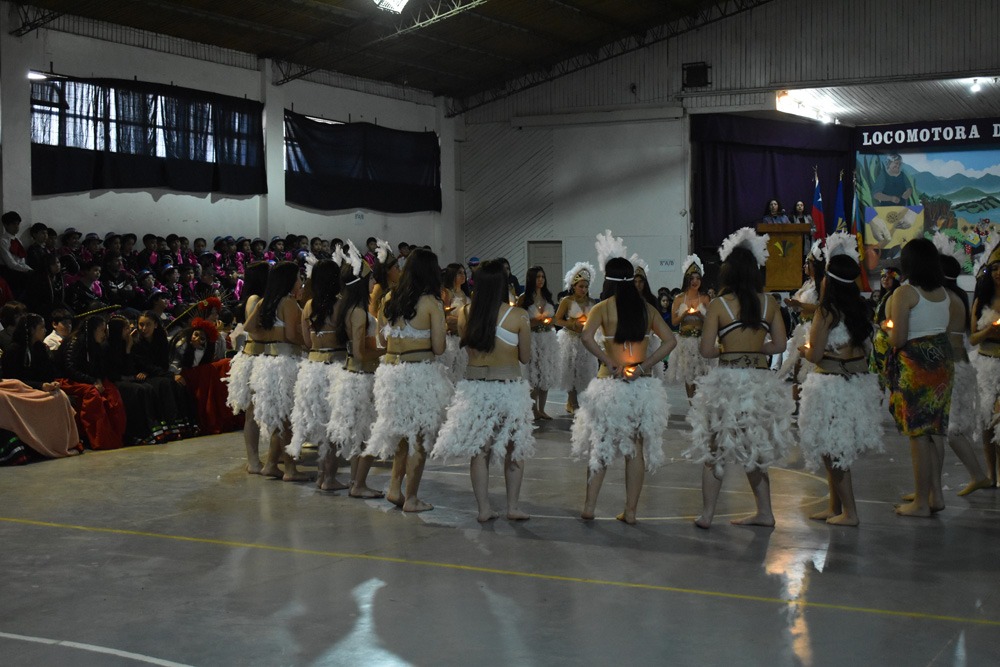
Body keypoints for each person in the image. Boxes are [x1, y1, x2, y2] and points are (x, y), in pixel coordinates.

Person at [685, 227, 792, 528]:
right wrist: (756, 349)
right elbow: (781, 345)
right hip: (759, 382)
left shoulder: (719, 305)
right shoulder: (769, 302)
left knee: (715, 447)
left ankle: (707, 515)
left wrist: (728, 348)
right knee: (754, 447)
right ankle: (765, 512)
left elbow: (706, 350)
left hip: (728, 381)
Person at [572, 248, 676, 524]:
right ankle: (630, 511)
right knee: (635, 448)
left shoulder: (602, 308)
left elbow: (586, 338)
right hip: (641, 385)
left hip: (610, 383)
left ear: (608, 280)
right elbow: (670, 341)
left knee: (601, 443)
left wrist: (608, 360)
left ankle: (589, 506)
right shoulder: (646, 309)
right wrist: (643, 366)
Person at [434, 260, 534, 521]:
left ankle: (483, 509)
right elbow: (525, 357)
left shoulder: (466, 312)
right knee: (514, 448)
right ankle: (512, 507)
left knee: (480, 450)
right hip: (508, 387)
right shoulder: (518, 316)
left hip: (476, 387)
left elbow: (468, 346)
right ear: (503, 284)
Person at [797, 236, 884, 526]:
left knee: (834, 449)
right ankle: (834, 507)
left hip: (832, 385)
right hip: (857, 383)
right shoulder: (860, 310)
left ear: (829, 282)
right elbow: (866, 350)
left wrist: (804, 350)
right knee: (832, 446)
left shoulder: (826, 312)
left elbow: (815, 354)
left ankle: (850, 512)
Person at [368, 247, 451, 512]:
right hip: (418, 374)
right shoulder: (431, 303)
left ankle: (395, 489)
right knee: (419, 439)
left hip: (391, 374)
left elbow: (381, 341)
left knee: (403, 437)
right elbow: (439, 348)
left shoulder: (389, 298)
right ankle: (412, 498)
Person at [886, 238, 960, 517]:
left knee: (918, 434)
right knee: (935, 431)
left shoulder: (904, 293)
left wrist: (885, 330)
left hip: (917, 366)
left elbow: (898, 339)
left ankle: (920, 502)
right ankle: (934, 494)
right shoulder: (943, 292)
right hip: (941, 363)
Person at [326, 248, 385, 498]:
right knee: (368, 434)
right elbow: (361, 353)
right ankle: (359, 484)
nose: (374, 282)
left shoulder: (350, 308)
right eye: (371, 278)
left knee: (359, 434)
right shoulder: (359, 312)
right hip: (361, 377)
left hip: (354, 375)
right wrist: (387, 351)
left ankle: (355, 481)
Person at [934, 252, 992, 496]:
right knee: (939, 432)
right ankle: (930, 487)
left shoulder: (946, 298)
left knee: (951, 431)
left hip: (953, 369)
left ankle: (978, 476)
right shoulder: (955, 296)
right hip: (957, 367)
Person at [246, 261, 308, 481]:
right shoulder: (288, 302)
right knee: (287, 418)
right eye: (299, 277)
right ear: (289, 279)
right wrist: (309, 343)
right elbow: (291, 335)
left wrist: (268, 336)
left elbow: (249, 328)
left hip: (267, 363)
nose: (301, 281)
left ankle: (271, 464)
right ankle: (290, 469)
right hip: (285, 363)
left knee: (280, 417)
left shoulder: (266, 301)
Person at [287, 259, 346, 488]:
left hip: (312, 369)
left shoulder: (309, 306)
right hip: (335, 367)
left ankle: (323, 475)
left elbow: (307, 341)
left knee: (321, 425)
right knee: (333, 425)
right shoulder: (341, 305)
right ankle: (329, 478)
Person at [0, 313, 82, 458]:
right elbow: (12, 379)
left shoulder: (40, 348)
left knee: (60, 396)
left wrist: (51, 383)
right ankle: (35, 442)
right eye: (41, 327)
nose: (45, 330)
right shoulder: (13, 350)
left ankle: (59, 442)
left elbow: (48, 374)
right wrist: (40, 385)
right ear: (32, 330)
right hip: (20, 391)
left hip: (38, 389)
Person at [224, 261, 269, 474]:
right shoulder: (254, 299)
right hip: (254, 357)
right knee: (252, 413)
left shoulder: (259, 298)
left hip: (261, 356)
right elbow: (256, 330)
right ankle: (253, 461)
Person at [59, 315, 128, 450]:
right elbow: (70, 369)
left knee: (112, 393)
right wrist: (92, 381)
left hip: (87, 379)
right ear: (93, 329)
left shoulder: (95, 344)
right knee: (93, 395)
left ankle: (115, 437)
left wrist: (99, 380)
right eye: (102, 330)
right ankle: (97, 439)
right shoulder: (75, 341)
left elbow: (98, 368)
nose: (104, 334)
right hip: (69, 380)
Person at [970, 239, 1000, 487]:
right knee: (986, 422)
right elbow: (972, 338)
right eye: (995, 268)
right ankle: (991, 474)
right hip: (985, 365)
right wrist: (988, 332)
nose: (998, 272)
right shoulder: (981, 301)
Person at [667, 255, 714, 399]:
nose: (695, 281)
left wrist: (701, 316)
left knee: (702, 375)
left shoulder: (705, 298)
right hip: (685, 341)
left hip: (701, 340)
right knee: (689, 375)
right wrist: (684, 315)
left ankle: (701, 404)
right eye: (692, 278)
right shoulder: (679, 298)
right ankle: (692, 405)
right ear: (687, 280)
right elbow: (674, 322)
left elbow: (712, 321)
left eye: (698, 278)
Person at [518, 266, 559, 420]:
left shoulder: (547, 296)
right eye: (537, 277)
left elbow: (555, 318)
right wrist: (534, 321)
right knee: (533, 374)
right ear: (531, 279)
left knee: (545, 373)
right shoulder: (524, 298)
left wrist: (550, 321)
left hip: (547, 338)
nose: (540, 280)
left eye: (542, 276)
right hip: (532, 337)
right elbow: (519, 319)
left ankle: (542, 408)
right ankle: (533, 409)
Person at [555, 262, 597, 414]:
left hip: (585, 341)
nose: (583, 289)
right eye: (581, 286)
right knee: (571, 371)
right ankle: (572, 401)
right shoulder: (567, 301)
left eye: (586, 287)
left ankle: (582, 400)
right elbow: (556, 319)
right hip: (570, 339)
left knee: (585, 371)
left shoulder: (592, 302)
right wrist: (571, 323)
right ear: (574, 286)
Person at [441, 262, 470, 383]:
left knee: (462, 370)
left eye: (464, 273)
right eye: (459, 273)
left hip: (464, 336)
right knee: (450, 370)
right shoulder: (447, 293)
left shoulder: (466, 293)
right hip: (451, 335)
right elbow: (444, 315)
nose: (463, 275)